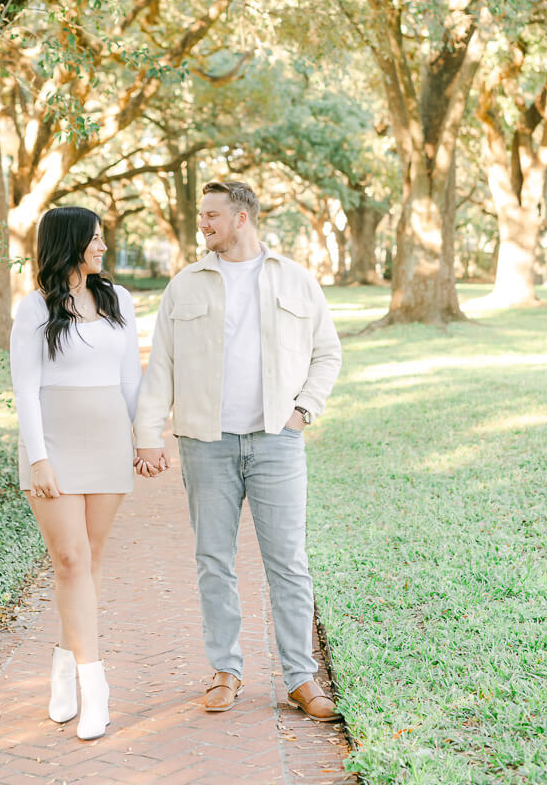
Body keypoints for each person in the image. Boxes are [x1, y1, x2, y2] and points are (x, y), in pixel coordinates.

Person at [134, 180, 342, 719]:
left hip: (277, 441)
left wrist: (303, 411)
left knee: (289, 564)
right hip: (207, 445)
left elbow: (327, 354)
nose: (202, 224)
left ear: (243, 217)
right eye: (202, 215)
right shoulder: (184, 285)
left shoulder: (296, 281)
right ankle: (226, 670)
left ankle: (301, 678)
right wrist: (147, 433)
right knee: (213, 562)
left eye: (211, 216)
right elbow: (163, 367)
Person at [10, 206, 141, 741]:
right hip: (54, 446)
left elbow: (131, 376)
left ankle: (65, 663)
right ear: (70, 242)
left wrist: (143, 436)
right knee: (69, 559)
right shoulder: (34, 310)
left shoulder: (118, 300)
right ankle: (95, 685)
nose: (103, 245)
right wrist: (38, 456)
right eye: (94, 238)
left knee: (91, 559)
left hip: (107, 438)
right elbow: (25, 389)